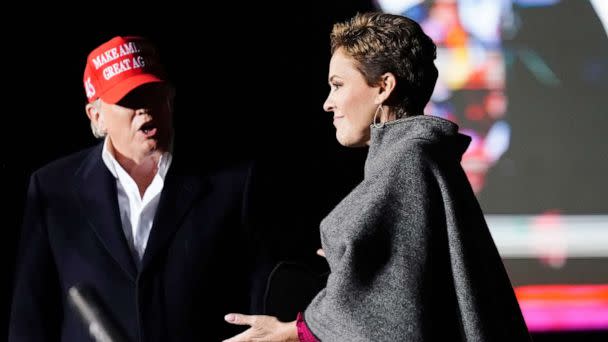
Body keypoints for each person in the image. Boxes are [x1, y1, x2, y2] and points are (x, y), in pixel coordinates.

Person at [223, 12, 531, 341]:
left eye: (338, 85)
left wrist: (294, 332)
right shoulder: (421, 158)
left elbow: (394, 323)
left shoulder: (408, 162)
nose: (328, 103)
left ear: (383, 87)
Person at [9, 36, 266, 341]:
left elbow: (259, 294)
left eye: (152, 93)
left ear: (170, 97)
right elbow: (30, 312)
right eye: (128, 99)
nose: (145, 108)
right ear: (97, 115)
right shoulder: (52, 187)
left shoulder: (232, 182)